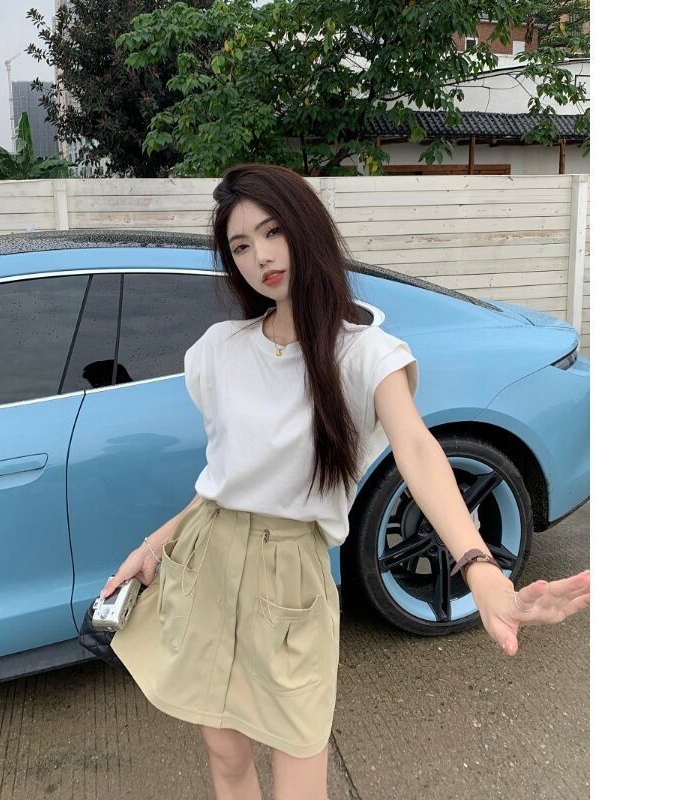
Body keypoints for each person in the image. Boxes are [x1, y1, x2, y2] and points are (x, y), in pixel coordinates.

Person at [99, 163, 591, 800]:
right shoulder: (219, 350)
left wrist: (479, 566)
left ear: (306, 228)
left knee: (299, 762)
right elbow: (223, 483)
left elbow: (418, 451)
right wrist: (154, 544)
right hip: (207, 558)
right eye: (240, 246)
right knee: (224, 753)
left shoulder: (365, 353)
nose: (259, 256)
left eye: (272, 231)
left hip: (291, 573)